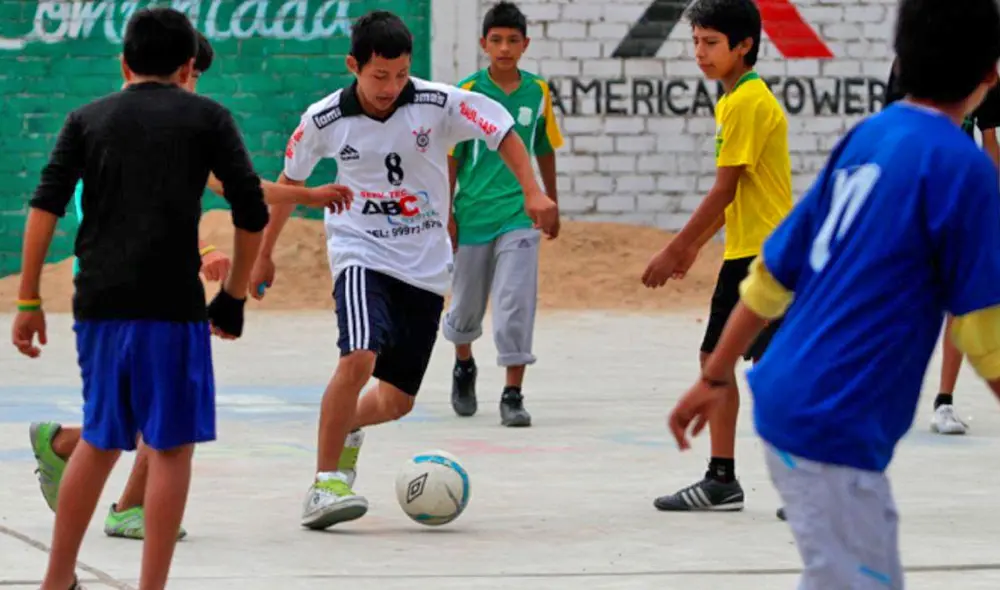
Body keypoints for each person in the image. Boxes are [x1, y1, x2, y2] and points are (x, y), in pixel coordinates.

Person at [667, 0, 1000, 585]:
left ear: (900, 61)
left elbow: (771, 276)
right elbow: (982, 332)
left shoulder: (869, 135)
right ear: (991, 76)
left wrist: (714, 374)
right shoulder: (963, 168)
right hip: (832, 420)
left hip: (793, 403)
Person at [26, 31, 353, 543]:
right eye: (191, 73)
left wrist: (305, 193)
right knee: (159, 412)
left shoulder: (167, 126)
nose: (192, 84)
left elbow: (224, 191)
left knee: (144, 407)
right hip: (121, 284)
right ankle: (94, 481)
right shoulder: (116, 126)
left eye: (197, 76)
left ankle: (84, 469)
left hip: (138, 285)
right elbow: (129, 217)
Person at [249, 9, 558, 530]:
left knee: (395, 401)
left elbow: (502, 128)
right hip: (360, 252)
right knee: (358, 359)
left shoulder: (437, 102)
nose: (391, 86)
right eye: (378, 76)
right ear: (353, 65)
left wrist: (533, 189)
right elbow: (288, 181)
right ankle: (325, 484)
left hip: (424, 266)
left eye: (399, 74)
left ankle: (342, 427)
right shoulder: (324, 119)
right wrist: (264, 252)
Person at [11, 8, 271, 589]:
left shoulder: (87, 118)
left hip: (99, 303)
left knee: (102, 438)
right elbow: (251, 209)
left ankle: (57, 580)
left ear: (123, 63)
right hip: (171, 307)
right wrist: (232, 296)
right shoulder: (209, 118)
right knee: (171, 446)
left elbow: (45, 206)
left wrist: (28, 299)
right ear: (186, 67)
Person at [640, 0, 792, 512]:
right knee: (752, 365)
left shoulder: (746, 101)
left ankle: (735, 479)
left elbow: (724, 190)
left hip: (761, 254)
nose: (700, 54)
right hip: (756, 249)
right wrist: (698, 247)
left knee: (743, 365)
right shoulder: (737, 99)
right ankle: (730, 479)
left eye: (711, 43)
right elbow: (741, 193)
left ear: (743, 45)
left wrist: (676, 248)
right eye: (696, 42)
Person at [444, 0, 564, 426]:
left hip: (519, 213)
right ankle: (464, 365)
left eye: (513, 40)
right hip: (473, 212)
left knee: (515, 301)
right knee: (467, 305)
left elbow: (544, 147)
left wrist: (551, 200)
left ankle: (513, 393)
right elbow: (452, 156)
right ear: (484, 44)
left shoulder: (538, 91)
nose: (505, 48)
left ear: (525, 44)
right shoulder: (468, 93)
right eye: (496, 40)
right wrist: (448, 212)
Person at [886, 58, 1000, 436]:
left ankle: (944, 402)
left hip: (959, 197)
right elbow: (892, 134)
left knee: (959, 299)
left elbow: (989, 141)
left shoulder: (982, 70)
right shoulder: (909, 64)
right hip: (914, 193)